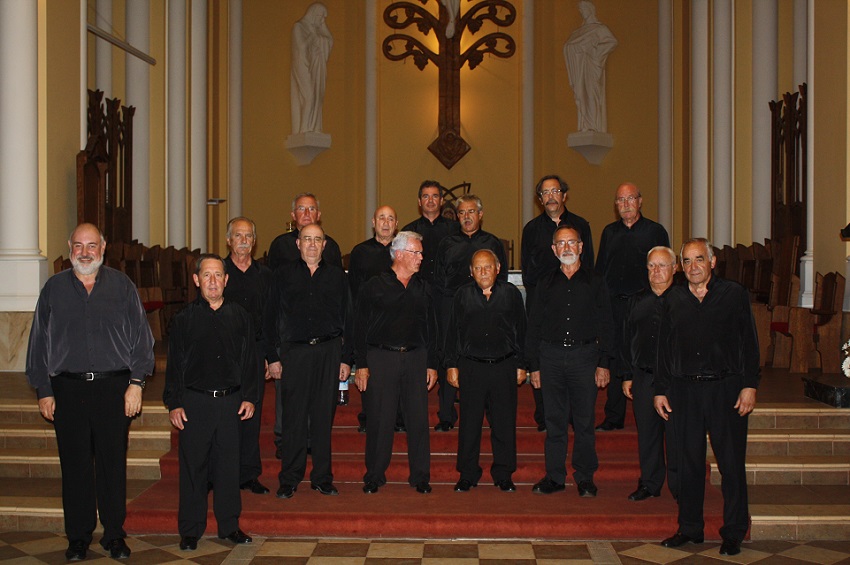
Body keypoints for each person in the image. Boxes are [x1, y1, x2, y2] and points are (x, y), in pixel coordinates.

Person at [25, 223, 155, 561]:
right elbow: (38, 343)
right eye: (79, 245)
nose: (85, 252)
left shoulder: (122, 286)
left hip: (114, 387)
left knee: (113, 465)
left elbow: (142, 340)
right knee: (75, 467)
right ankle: (78, 538)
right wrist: (44, 389)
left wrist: (136, 384)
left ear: (103, 246)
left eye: (92, 245)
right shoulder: (53, 289)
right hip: (67, 389)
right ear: (70, 246)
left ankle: (114, 535)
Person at [654, 238, 759, 557]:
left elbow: (750, 343)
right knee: (687, 464)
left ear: (712, 262)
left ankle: (734, 531)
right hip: (684, 390)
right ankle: (690, 528)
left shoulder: (734, 295)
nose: (693, 266)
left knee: (730, 464)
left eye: (699, 259)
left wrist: (750, 385)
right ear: (680, 267)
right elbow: (662, 348)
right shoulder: (673, 298)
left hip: (726, 389)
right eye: (686, 261)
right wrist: (660, 388)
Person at [164, 254, 258, 551]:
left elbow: (250, 361)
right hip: (195, 403)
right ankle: (190, 529)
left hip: (230, 402)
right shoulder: (183, 319)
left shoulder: (241, 316)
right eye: (207, 275)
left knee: (228, 467)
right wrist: (174, 403)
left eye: (218, 275)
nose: (213, 281)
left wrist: (250, 397)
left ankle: (229, 526)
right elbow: (175, 365)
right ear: (196, 280)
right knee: (194, 467)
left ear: (226, 280)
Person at [265, 224, 352, 499]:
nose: (312, 244)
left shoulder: (338, 276)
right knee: (293, 418)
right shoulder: (282, 276)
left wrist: (347, 359)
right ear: (298, 244)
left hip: (328, 351)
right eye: (307, 239)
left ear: (324, 245)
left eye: (317, 240)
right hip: (295, 353)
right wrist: (272, 357)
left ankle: (322, 478)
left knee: (323, 418)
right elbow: (268, 318)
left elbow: (350, 319)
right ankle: (290, 478)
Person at [526, 225, 614, 497]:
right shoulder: (544, 282)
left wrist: (604, 363)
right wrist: (534, 366)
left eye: (571, 242)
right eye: (560, 243)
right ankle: (554, 476)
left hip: (584, 357)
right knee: (554, 421)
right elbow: (534, 325)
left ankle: (585, 477)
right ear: (553, 250)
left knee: (585, 421)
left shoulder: (597, 281)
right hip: (550, 357)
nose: (566, 248)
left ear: (581, 247)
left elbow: (607, 324)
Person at [354, 231, 438, 494]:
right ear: (399, 254)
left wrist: (432, 363)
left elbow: (433, 329)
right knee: (380, 419)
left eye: (421, 253)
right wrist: (362, 365)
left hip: (416, 358)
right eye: (417, 252)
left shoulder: (424, 287)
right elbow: (359, 327)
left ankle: (420, 476)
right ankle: (375, 475)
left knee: (418, 420)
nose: (421, 257)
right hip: (382, 358)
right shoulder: (373, 286)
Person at [266, 192, 342, 457]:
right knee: (289, 399)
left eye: (312, 209)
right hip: (292, 340)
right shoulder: (278, 246)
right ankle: (284, 441)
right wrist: (274, 350)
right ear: (293, 215)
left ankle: (313, 443)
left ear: (319, 215)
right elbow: (274, 301)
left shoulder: (330, 246)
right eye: (301, 209)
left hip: (322, 340)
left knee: (320, 401)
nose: (307, 213)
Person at [445, 249, 526, 493]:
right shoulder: (462, 295)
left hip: (504, 367)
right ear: (471, 272)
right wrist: (451, 364)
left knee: (503, 424)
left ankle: (503, 474)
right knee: (469, 424)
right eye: (478, 268)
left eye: (487, 267)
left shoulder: (511, 294)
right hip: (472, 367)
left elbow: (522, 331)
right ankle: (467, 474)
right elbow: (452, 332)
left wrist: (522, 365)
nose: (483, 272)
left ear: (498, 268)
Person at [595, 183, 670, 431]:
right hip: (616, 306)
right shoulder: (609, 233)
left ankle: (652, 411)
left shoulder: (655, 231)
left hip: (646, 305)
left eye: (630, 199)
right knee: (617, 357)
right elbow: (601, 272)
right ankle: (614, 416)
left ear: (640, 201)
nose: (625, 204)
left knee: (646, 355)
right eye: (620, 200)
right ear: (615, 205)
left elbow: (665, 269)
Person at [521, 174, 593, 431]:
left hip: (577, 304)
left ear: (564, 195)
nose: (550, 196)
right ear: (539, 199)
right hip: (544, 303)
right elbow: (527, 272)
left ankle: (575, 415)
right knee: (543, 359)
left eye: (555, 191)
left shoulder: (581, 225)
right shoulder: (531, 229)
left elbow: (590, 267)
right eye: (545, 193)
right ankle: (545, 415)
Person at [433, 194, 508, 432]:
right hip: (452, 306)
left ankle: (492, 413)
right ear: (457, 217)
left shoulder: (493, 243)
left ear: (480, 215)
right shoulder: (446, 244)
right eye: (462, 213)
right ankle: (446, 414)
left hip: (484, 308)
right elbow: (438, 278)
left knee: (485, 356)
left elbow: (502, 279)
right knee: (449, 356)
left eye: (471, 212)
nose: (466, 217)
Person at [621, 246, 678, 501]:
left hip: (677, 379)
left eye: (662, 265)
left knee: (677, 435)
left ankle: (680, 486)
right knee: (647, 433)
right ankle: (650, 483)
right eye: (652, 266)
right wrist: (627, 375)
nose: (656, 271)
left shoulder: (684, 299)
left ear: (675, 268)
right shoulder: (636, 300)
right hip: (643, 376)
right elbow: (626, 339)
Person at [223, 217, 273, 495]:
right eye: (238, 236)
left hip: (254, 351)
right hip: (223, 352)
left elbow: (269, 318)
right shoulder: (218, 271)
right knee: (223, 414)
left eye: (248, 236)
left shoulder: (264, 276)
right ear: (229, 240)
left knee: (251, 414)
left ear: (254, 242)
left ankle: (248, 474)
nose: (243, 240)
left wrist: (268, 355)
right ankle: (221, 474)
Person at [348, 205, 399, 434]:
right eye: (381, 218)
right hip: (368, 321)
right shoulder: (360, 252)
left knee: (397, 372)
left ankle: (398, 419)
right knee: (368, 370)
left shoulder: (404, 250)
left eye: (390, 219)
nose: (386, 223)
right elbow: (353, 291)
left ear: (396, 224)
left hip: (398, 322)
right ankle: (368, 417)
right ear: (373, 222)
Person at [563, 0, 618, 133]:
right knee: (581, 94)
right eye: (580, 10)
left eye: (584, 9)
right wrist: (577, 48)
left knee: (591, 92)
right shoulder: (578, 32)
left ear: (591, 9)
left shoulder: (599, 28)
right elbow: (567, 46)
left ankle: (593, 125)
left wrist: (595, 53)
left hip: (592, 65)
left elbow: (612, 42)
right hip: (579, 67)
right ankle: (585, 125)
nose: (582, 12)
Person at [401, 180, 460, 285]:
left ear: (441, 201)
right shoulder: (408, 231)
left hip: (448, 293)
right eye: (426, 196)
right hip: (417, 292)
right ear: (419, 201)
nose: (431, 200)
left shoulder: (456, 229)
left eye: (435, 196)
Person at [291, 2, 333, 134]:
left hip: (314, 67)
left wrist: (322, 25)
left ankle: (312, 127)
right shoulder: (299, 27)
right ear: (313, 14)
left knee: (317, 95)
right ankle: (303, 129)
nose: (321, 20)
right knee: (309, 96)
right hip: (302, 65)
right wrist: (312, 36)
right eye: (320, 16)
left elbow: (330, 40)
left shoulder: (315, 28)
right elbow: (301, 47)